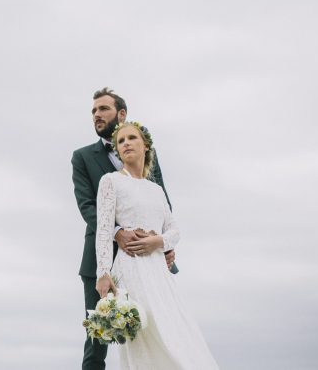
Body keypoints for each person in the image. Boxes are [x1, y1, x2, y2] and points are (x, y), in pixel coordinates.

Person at [96, 122, 218, 369]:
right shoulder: (110, 181)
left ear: (146, 145)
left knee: (175, 331)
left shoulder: (156, 190)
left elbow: (174, 230)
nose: (126, 143)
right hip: (130, 269)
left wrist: (158, 241)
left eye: (132, 138)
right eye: (121, 141)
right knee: (148, 335)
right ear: (117, 151)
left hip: (159, 272)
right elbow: (104, 229)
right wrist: (103, 273)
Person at [72, 88, 174, 370]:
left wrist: (165, 245)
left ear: (121, 113)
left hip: (148, 262)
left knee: (161, 332)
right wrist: (116, 232)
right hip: (100, 264)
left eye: (103, 109)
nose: (97, 115)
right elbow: (87, 207)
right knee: (98, 340)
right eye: (93, 111)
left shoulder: (144, 152)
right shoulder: (82, 157)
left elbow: (162, 201)